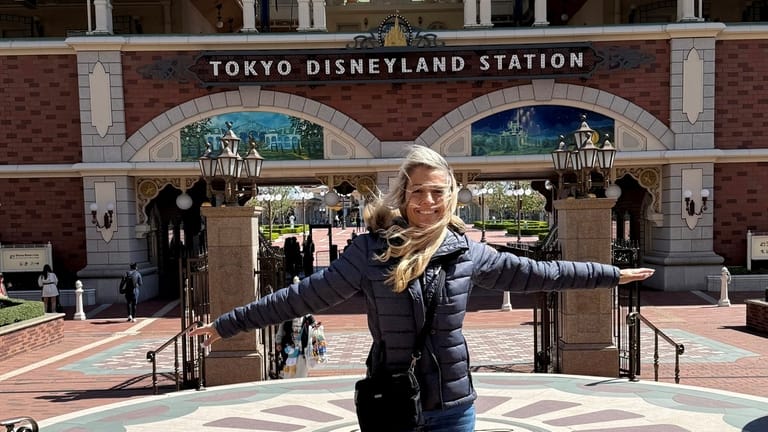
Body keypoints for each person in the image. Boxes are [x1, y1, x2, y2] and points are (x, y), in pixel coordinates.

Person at [190, 145, 655, 432]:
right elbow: (302, 296)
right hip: (391, 401)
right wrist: (228, 324)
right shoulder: (370, 253)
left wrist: (610, 273)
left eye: (437, 191)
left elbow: (544, 275)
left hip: (454, 405)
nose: (428, 201)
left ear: (450, 194)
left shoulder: (471, 254)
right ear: (402, 196)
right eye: (417, 192)